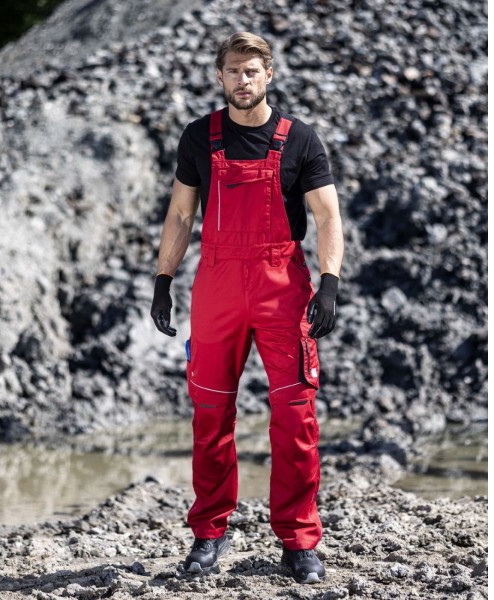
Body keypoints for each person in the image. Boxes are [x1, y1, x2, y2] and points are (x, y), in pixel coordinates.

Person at [150, 31, 344, 584]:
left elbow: (327, 216)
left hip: (282, 284)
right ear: (220, 77)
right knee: (211, 414)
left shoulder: (299, 139)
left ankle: (299, 541)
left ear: (269, 75)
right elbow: (181, 214)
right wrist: (163, 279)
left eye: (252, 71)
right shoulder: (199, 136)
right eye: (233, 70)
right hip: (217, 285)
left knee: (295, 416)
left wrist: (329, 283)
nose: (242, 80)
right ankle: (209, 533)